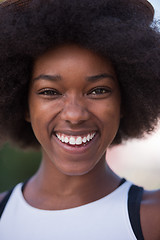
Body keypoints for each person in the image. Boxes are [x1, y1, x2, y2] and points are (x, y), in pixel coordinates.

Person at [0, 0, 160, 239]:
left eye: (98, 90)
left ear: (124, 100)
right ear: (24, 105)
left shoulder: (153, 219)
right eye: (49, 92)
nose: (75, 115)